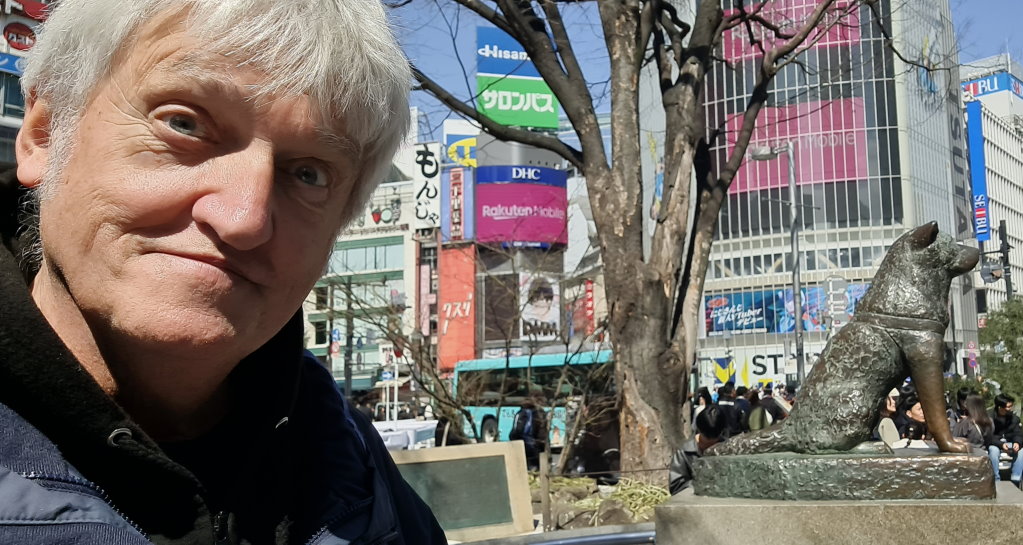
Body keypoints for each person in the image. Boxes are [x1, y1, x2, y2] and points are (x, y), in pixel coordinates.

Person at [0, 0, 446, 543]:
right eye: (183, 123)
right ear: (44, 133)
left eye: (308, 173)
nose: (244, 218)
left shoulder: (357, 473)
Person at [668, 405, 725, 494]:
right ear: (699, 430)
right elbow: (676, 486)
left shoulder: (728, 450)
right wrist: (704, 485)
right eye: (706, 438)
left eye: (714, 439)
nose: (710, 445)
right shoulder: (684, 452)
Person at [988, 393, 1023, 486]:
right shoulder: (989, 417)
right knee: (993, 451)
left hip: (1010, 442)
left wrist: (1017, 442)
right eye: (1008, 406)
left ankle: (1015, 479)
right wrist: (1000, 444)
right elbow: (987, 436)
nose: (1011, 408)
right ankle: (996, 480)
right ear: (1000, 407)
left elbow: (1018, 433)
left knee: (1021, 451)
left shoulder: (1014, 419)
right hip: (995, 443)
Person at [509, 399, 548, 471]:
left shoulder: (521, 413)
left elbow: (517, 429)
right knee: (536, 464)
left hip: (525, 441)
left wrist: (513, 438)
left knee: (525, 463)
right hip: (536, 442)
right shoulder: (540, 413)